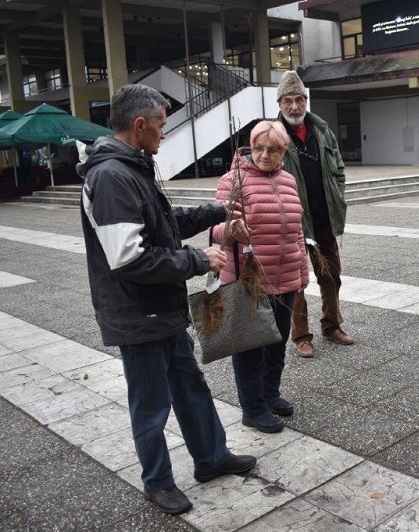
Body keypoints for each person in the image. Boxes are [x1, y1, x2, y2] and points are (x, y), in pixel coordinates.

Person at [78, 84, 256, 516]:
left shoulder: (132, 167)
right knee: (152, 404)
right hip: (136, 314)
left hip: (162, 310)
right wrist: (198, 259)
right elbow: (130, 258)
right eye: (160, 127)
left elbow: (163, 224)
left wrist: (214, 212)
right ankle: (157, 481)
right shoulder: (111, 177)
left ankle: (211, 458)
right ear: (138, 126)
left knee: (190, 387)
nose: (163, 135)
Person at [213, 120, 309, 434]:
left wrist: (302, 271)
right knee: (250, 347)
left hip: (285, 278)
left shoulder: (289, 180)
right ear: (250, 147)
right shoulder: (233, 180)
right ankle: (252, 408)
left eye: (273, 149)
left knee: (277, 343)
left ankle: (270, 394)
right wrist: (230, 228)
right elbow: (215, 230)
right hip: (248, 280)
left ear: (283, 151)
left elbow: (296, 230)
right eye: (258, 148)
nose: (264, 155)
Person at [275, 70, 353, 358]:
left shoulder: (322, 131)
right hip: (292, 222)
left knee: (331, 274)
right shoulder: (274, 135)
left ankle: (332, 325)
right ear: (279, 104)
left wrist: (339, 197)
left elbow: (339, 169)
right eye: (287, 101)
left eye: (298, 100)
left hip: (323, 218)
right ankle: (301, 336)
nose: (294, 107)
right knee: (296, 282)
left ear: (306, 101)